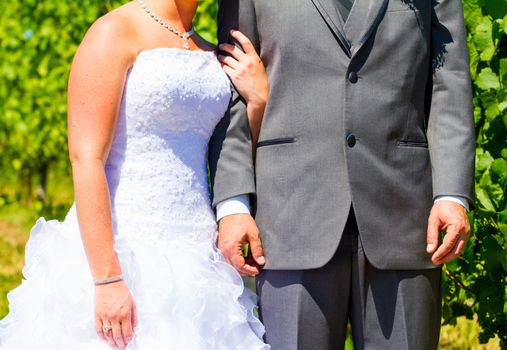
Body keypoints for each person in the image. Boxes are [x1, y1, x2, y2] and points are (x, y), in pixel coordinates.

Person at [0, 0, 270, 349]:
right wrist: (107, 278)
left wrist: (257, 103)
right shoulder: (114, 31)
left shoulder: (207, 49)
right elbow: (86, 159)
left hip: (199, 265)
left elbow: (226, 158)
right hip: (125, 253)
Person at [210, 0, 475, 349]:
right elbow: (230, 87)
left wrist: (452, 196)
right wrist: (234, 204)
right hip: (290, 215)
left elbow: (449, 82)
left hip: (405, 216)